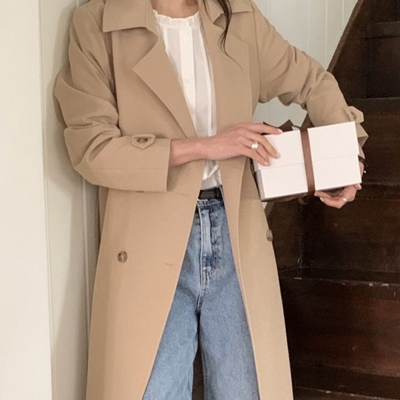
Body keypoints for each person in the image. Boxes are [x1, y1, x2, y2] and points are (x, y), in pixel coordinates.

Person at [54, 0, 367, 399]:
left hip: (236, 228)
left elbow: (311, 81)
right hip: (148, 238)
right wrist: (206, 146)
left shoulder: (238, 16)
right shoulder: (99, 22)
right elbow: (92, 149)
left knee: (248, 390)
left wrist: (345, 157)